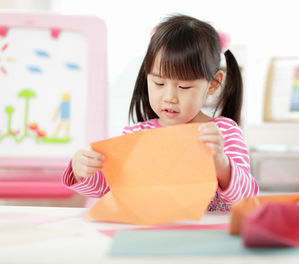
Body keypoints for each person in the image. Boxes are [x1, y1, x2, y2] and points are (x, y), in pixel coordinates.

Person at [62, 14, 259, 212]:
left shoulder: (223, 132)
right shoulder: (136, 135)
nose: (169, 97)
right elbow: (107, 186)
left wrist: (220, 162)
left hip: (207, 236)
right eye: (159, 83)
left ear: (213, 84)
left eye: (183, 86)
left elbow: (247, 197)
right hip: (153, 233)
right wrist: (82, 169)